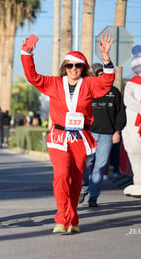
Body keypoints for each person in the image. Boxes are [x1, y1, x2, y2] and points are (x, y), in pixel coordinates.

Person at [21, 32, 114, 233]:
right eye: (70, 65)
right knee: (61, 175)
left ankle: (72, 219)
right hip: (59, 137)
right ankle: (62, 218)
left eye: (78, 65)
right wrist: (27, 53)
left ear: (84, 68)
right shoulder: (54, 83)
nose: (73, 69)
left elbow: (106, 82)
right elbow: (33, 77)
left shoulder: (89, 84)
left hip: (81, 138)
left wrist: (106, 58)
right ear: (65, 68)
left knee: (76, 179)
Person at [79, 63, 127, 207]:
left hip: (107, 135)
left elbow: (120, 114)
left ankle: (93, 197)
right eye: (98, 73)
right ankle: (83, 188)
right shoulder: (87, 90)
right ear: (92, 76)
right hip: (88, 133)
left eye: (103, 73)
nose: (101, 75)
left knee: (99, 166)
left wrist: (117, 131)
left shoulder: (114, 92)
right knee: (85, 164)